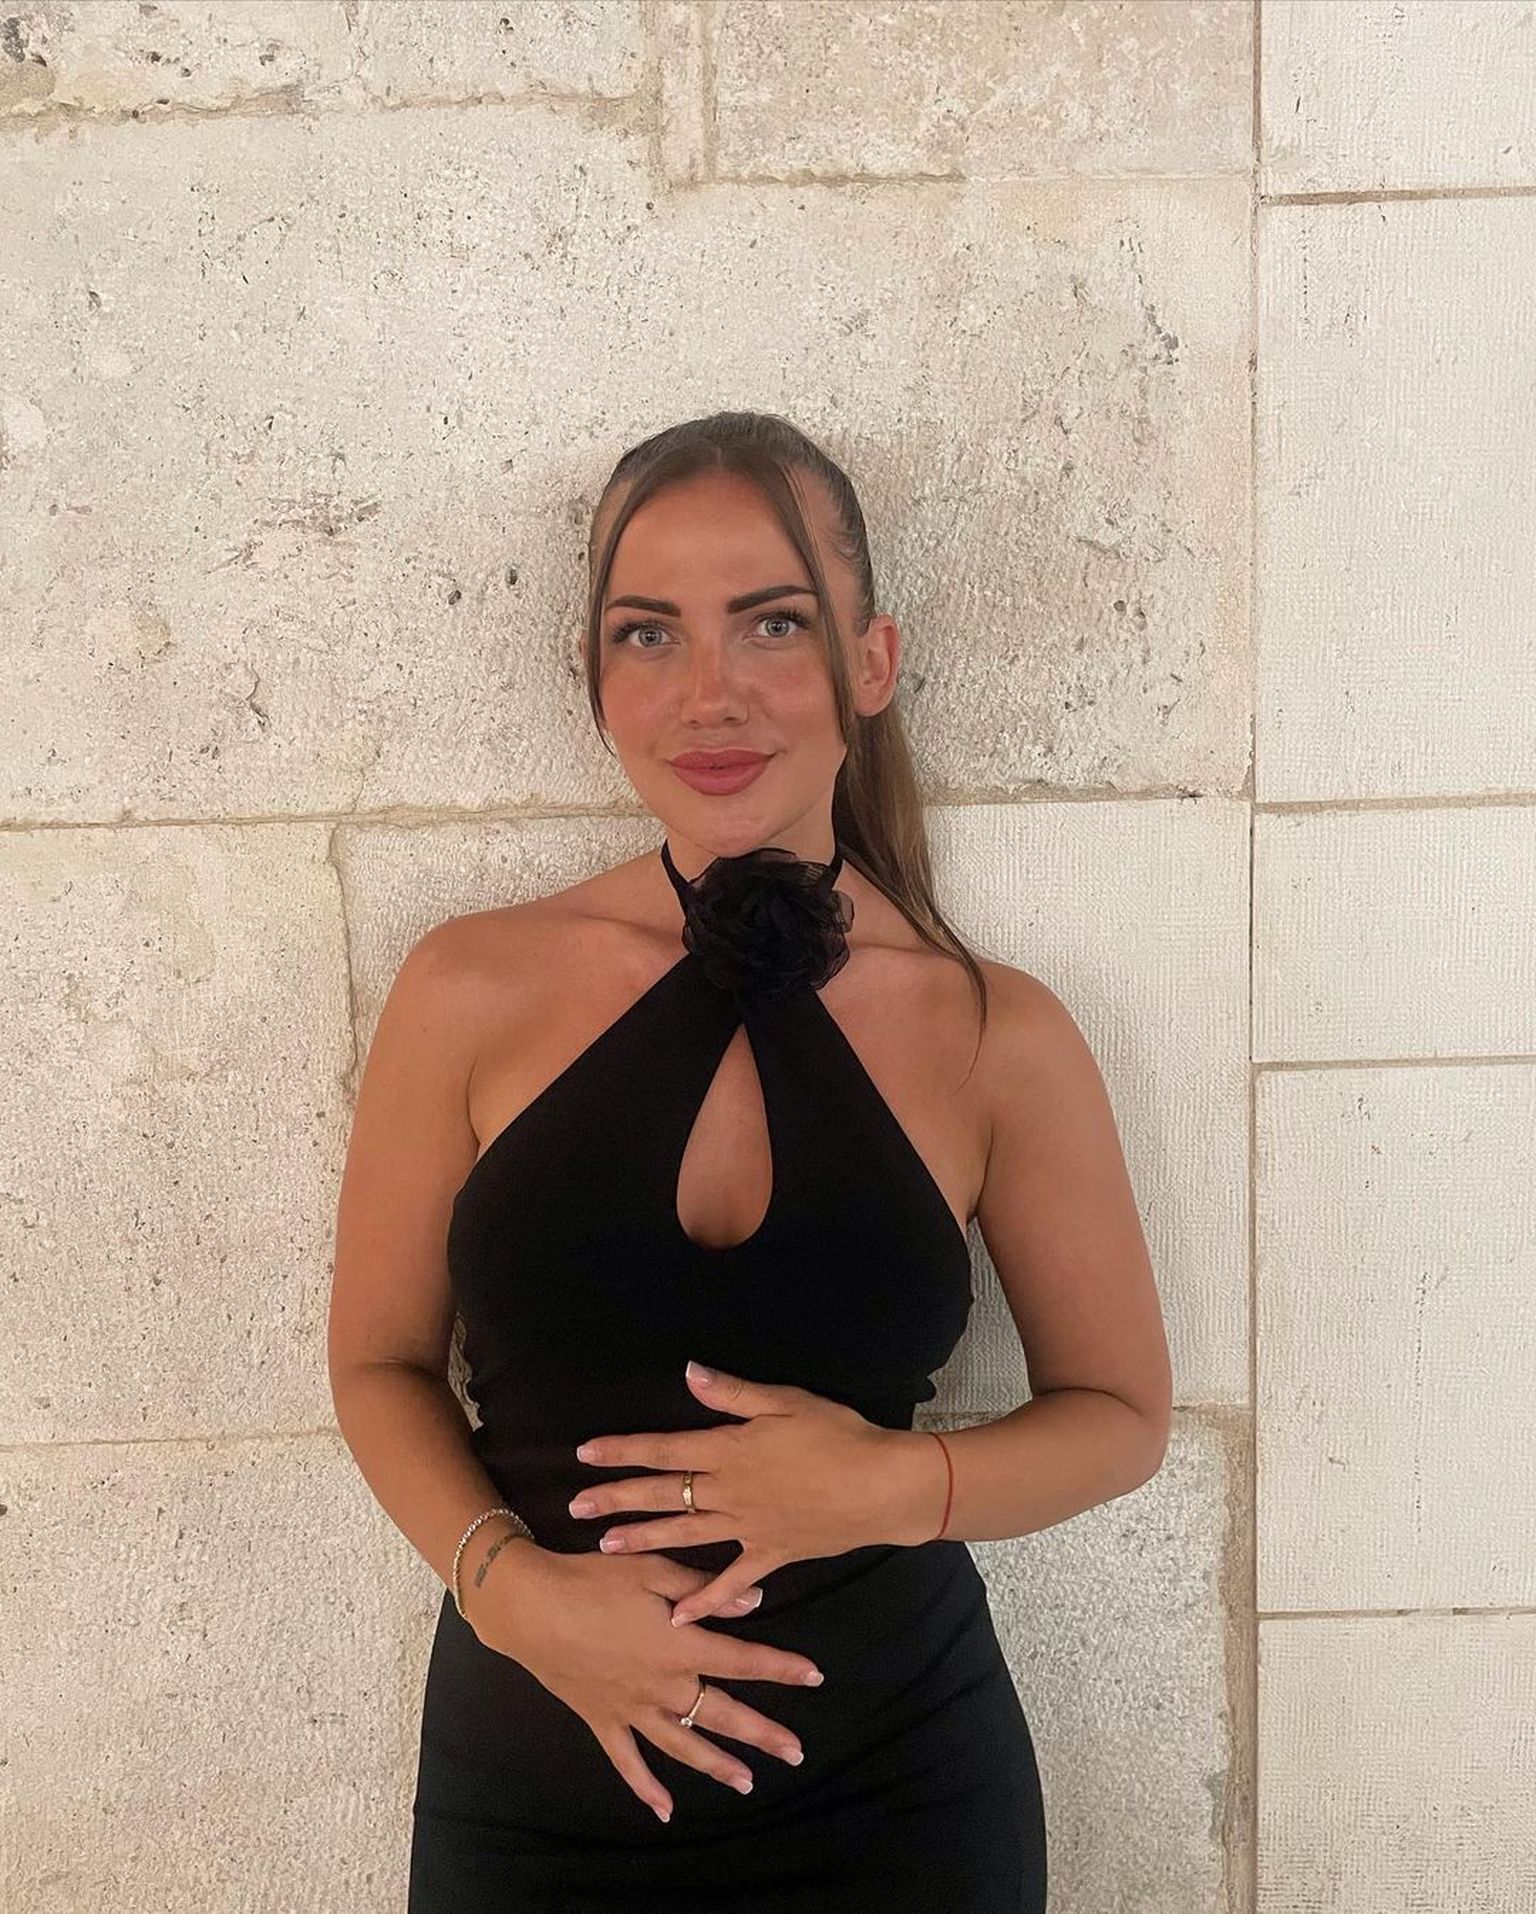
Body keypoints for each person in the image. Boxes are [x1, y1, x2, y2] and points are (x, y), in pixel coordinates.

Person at [328, 412, 1172, 1911]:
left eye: (773, 622)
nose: (707, 691)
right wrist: (512, 1595)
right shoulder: (467, 988)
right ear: (593, 677)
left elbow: (1119, 1418)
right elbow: (376, 1364)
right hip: (532, 1801)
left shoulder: (998, 1033)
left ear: (872, 661)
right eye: (647, 633)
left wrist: (890, 1487)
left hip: (902, 1803)